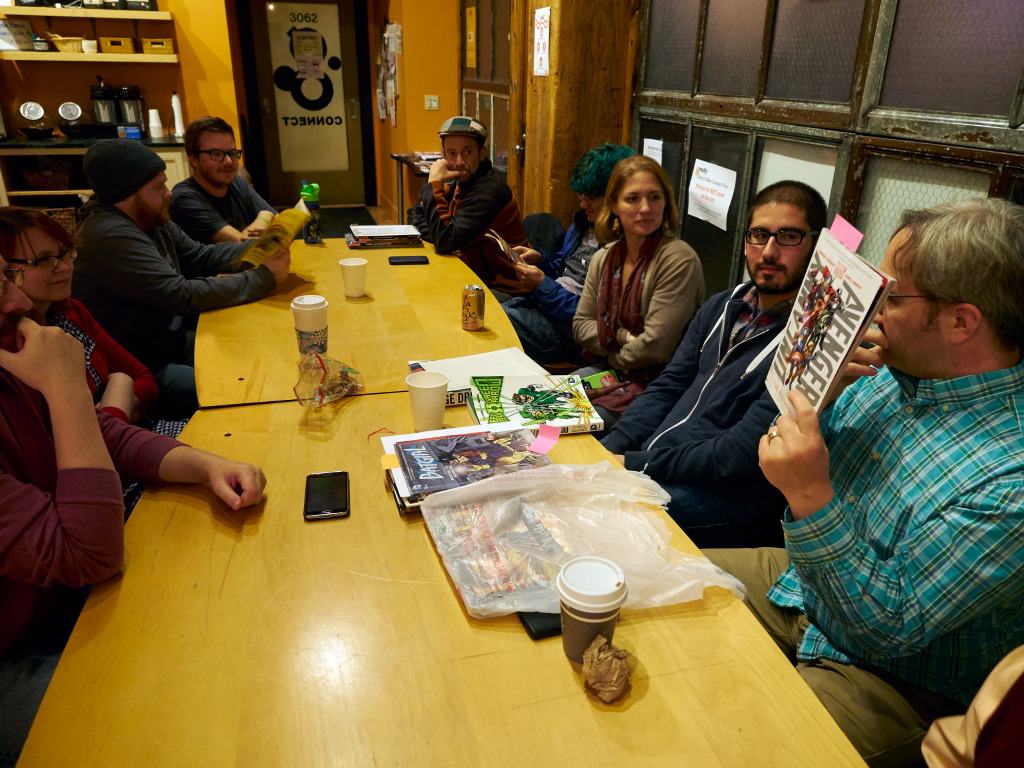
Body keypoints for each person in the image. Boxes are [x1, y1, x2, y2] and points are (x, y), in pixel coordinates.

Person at [706, 197, 1024, 767]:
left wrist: (809, 496)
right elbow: (784, 455)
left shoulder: (1009, 479)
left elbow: (887, 627)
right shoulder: (890, 373)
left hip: (893, 675)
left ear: (961, 322)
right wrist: (815, 395)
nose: (872, 308)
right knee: (666, 579)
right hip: (804, 586)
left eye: (891, 296)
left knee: (741, 747)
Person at [0, 253, 268, 767]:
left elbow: (102, 434)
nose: (18, 300)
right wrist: (66, 389)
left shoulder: (13, 361)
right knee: (178, 724)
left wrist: (207, 464)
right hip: (20, 648)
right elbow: (89, 557)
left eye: (6, 280)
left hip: (63, 597)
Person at [601, 180, 826, 547]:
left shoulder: (810, 342)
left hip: (731, 498)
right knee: (574, 474)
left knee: (606, 520)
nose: (769, 252)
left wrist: (635, 463)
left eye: (788, 237)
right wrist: (612, 447)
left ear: (815, 245)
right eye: (759, 235)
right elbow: (668, 386)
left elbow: (739, 453)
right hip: (661, 462)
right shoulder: (723, 305)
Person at [73, 139, 291, 418]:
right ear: (126, 195)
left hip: (169, 340)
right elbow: (180, 295)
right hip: (140, 364)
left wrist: (261, 249)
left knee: (260, 353)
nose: (168, 193)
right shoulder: (108, 233)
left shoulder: (147, 215)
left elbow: (199, 255)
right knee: (241, 386)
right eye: (158, 187)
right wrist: (264, 278)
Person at [572, 154, 704, 422]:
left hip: (660, 383)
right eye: (633, 199)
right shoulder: (604, 257)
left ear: (666, 202)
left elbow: (655, 348)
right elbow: (581, 326)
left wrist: (613, 355)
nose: (645, 208)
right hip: (615, 369)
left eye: (654, 197)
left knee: (576, 420)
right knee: (547, 401)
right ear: (614, 205)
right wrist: (624, 336)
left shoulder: (678, 259)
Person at [503, 143, 635, 365]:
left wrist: (543, 286)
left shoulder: (626, 249)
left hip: (569, 330)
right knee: (487, 306)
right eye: (581, 196)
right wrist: (540, 261)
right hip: (546, 304)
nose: (583, 204)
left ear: (616, 197)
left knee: (495, 322)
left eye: (591, 198)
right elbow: (563, 270)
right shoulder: (583, 224)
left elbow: (593, 318)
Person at [411, 116, 531, 298]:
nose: (459, 161)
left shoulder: (489, 191)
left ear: (481, 153)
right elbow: (418, 218)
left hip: (506, 290)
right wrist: (443, 236)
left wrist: (433, 184)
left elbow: (444, 241)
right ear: (443, 154)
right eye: (452, 153)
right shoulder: (460, 181)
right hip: (473, 276)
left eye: (467, 152)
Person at [170, 116, 278, 243]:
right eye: (216, 154)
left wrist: (267, 217)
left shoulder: (237, 183)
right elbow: (242, 244)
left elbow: (279, 222)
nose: (228, 161)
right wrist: (265, 217)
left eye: (232, 153)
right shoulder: (183, 199)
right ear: (194, 159)